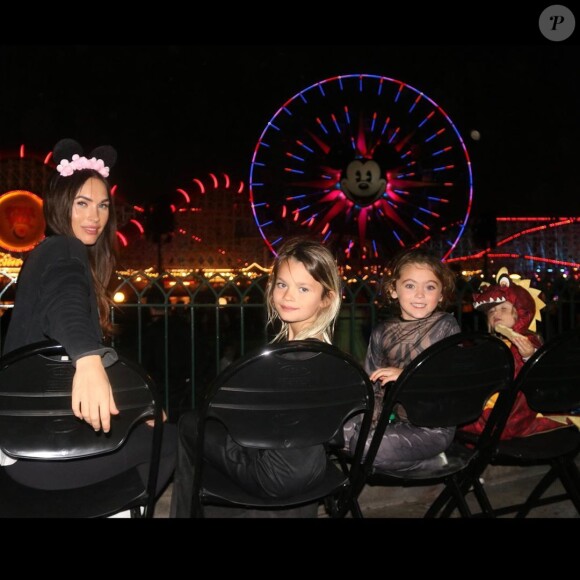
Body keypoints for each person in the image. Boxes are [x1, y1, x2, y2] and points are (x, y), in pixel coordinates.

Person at [1, 138, 176, 502]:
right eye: (82, 204)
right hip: (44, 456)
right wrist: (88, 357)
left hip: (26, 446)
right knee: (175, 440)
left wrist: (137, 407)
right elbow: (65, 307)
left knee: (148, 426)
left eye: (102, 206)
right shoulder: (63, 249)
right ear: (61, 205)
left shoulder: (45, 256)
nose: (94, 217)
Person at [170, 236, 342, 517]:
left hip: (273, 476)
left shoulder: (284, 362)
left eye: (303, 288)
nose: (288, 296)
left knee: (191, 424)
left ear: (327, 299)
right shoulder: (332, 357)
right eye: (282, 284)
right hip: (316, 468)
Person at [342, 248, 461, 471]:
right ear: (393, 289)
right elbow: (373, 387)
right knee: (339, 432)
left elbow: (450, 381)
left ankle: (434, 463)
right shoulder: (381, 332)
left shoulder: (445, 326)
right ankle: (398, 458)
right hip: (396, 421)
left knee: (364, 446)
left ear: (441, 294)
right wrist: (370, 423)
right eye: (410, 285)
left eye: (430, 287)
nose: (420, 294)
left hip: (434, 427)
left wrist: (407, 376)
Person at [460, 267, 562, 439]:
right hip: (493, 407)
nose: (495, 313)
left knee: (454, 416)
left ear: (521, 312)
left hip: (509, 415)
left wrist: (529, 355)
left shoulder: (526, 340)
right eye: (491, 312)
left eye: (503, 309)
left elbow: (543, 373)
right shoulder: (495, 343)